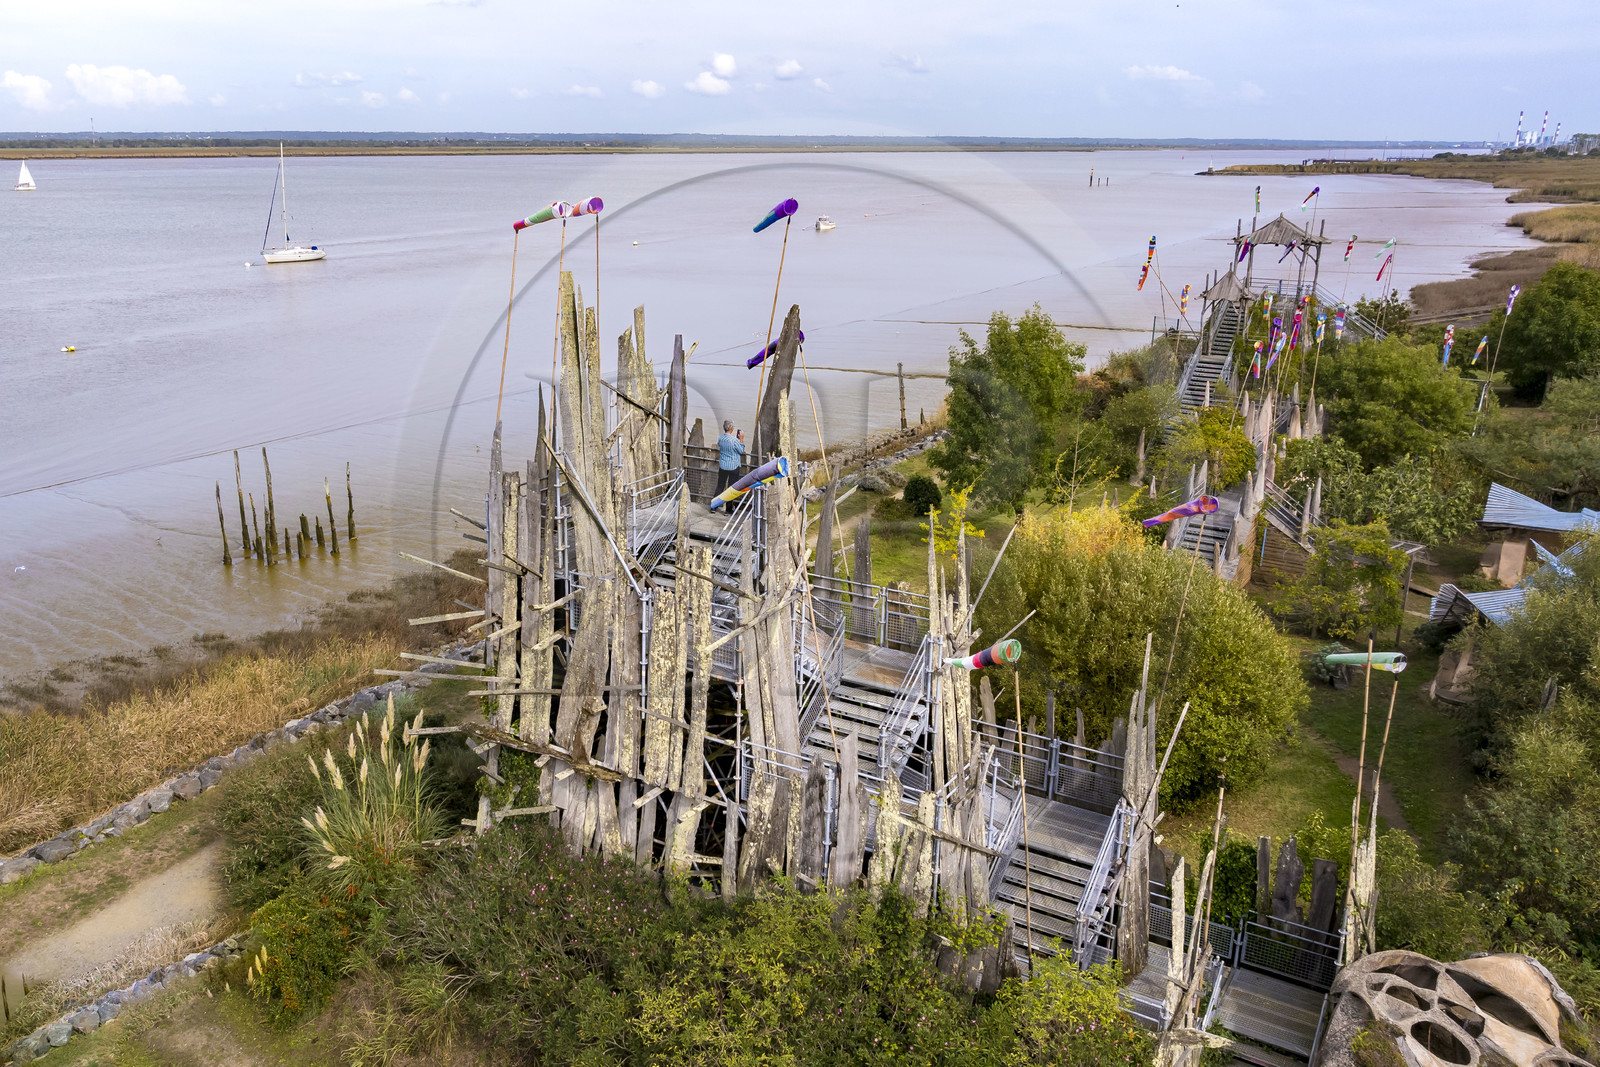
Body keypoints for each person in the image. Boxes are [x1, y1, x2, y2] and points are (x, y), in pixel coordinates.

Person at [715, 419, 745, 496]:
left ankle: (714, 503)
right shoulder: (734, 440)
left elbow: (724, 444)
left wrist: (735, 439)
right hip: (733, 467)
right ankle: (729, 504)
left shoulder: (720, 438)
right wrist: (741, 439)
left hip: (723, 466)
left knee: (720, 486)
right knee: (731, 488)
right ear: (731, 428)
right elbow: (741, 451)